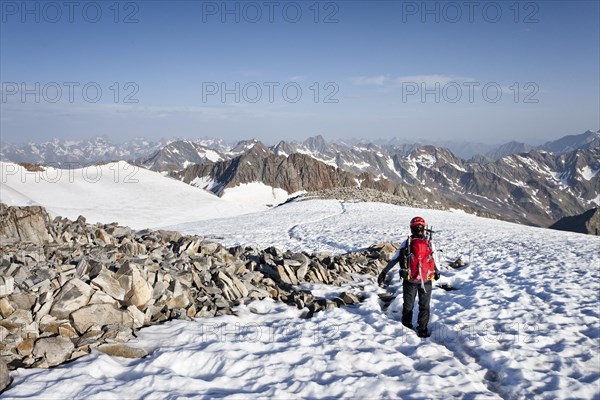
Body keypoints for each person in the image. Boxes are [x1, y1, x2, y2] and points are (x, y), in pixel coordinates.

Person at [378, 216, 440, 338]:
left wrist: (384, 272)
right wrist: (437, 272)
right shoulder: (429, 243)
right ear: (424, 228)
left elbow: (395, 259)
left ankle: (406, 328)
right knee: (424, 306)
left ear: (412, 229)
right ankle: (422, 329)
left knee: (408, 305)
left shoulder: (407, 243)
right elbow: (435, 260)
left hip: (409, 279)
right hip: (426, 279)